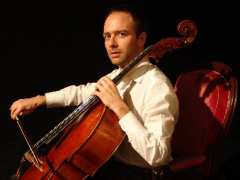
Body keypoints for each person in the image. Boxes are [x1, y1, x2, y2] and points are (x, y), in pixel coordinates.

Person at [10, 4, 179, 180]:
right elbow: (81, 92)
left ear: (141, 39)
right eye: (107, 36)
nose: (112, 44)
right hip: (110, 168)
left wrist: (119, 107)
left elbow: (158, 156)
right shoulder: (117, 76)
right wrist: (40, 100)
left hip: (140, 174)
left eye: (122, 34)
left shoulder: (157, 86)